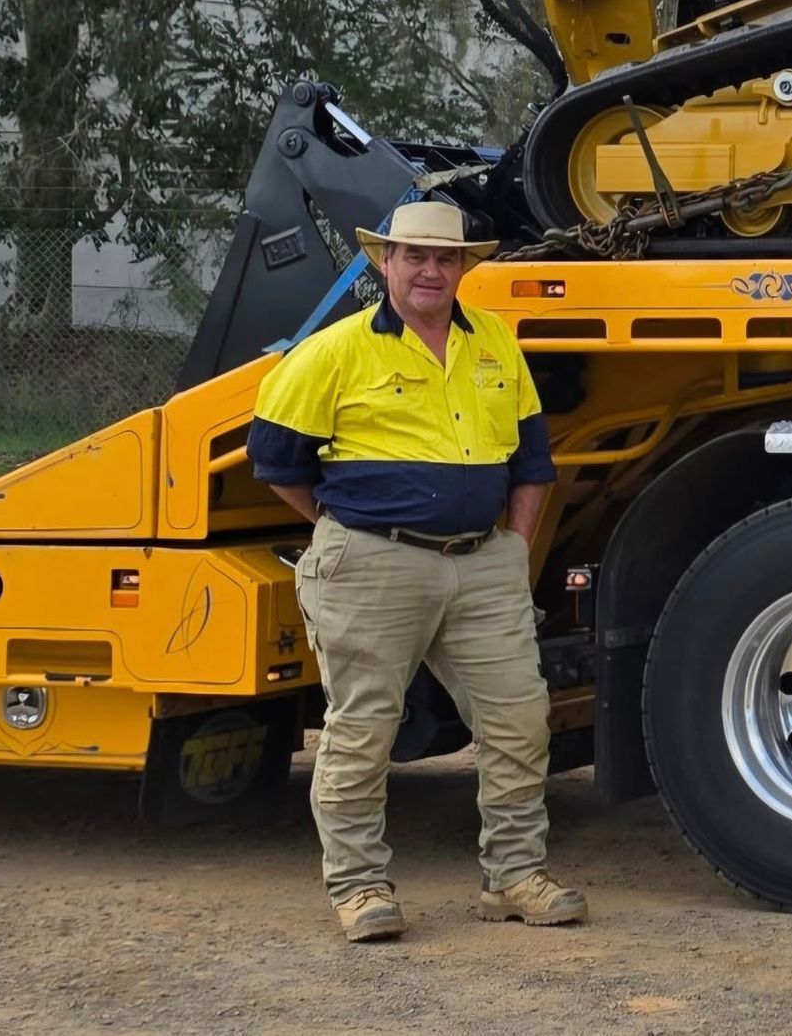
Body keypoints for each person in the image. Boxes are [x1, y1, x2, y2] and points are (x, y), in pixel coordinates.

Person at [247, 200, 587, 942]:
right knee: (364, 727)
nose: (431, 270)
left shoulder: (495, 341)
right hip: (372, 561)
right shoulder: (333, 351)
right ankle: (361, 886)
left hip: (482, 562)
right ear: (383, 262)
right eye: (414, 256)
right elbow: (275, 462)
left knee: (519, 719)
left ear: (465, 266)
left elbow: (532, 462)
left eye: (446, 257)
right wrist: (346, 532)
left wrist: (512, 550)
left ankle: (515, 875)